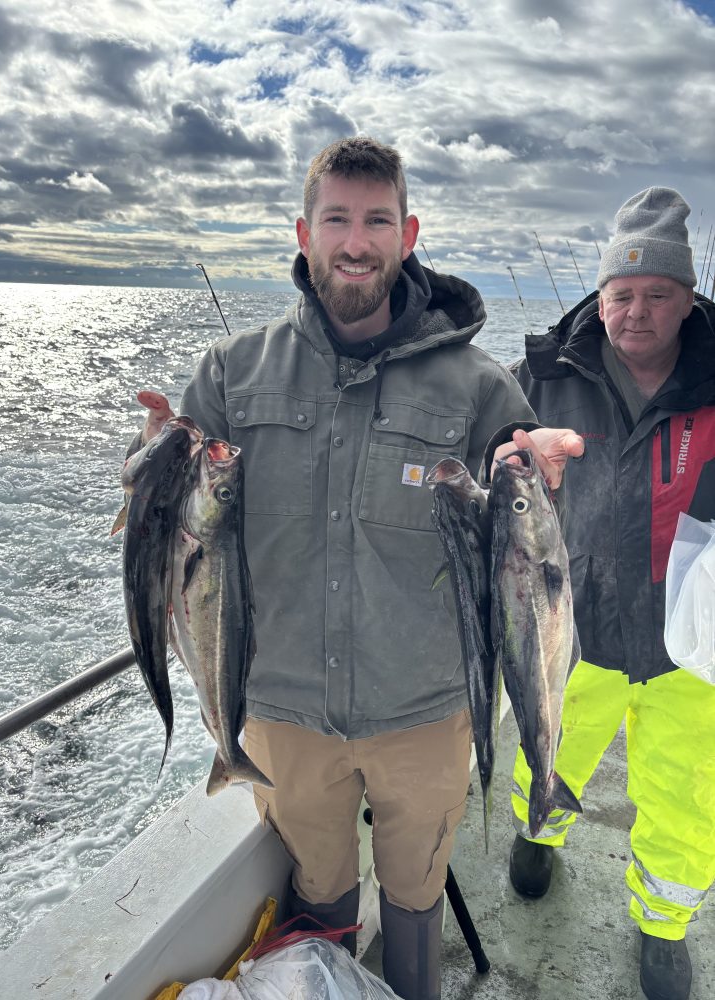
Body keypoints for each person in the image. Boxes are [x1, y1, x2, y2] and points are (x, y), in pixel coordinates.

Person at [137, 137, 582, 1000]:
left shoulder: (476, 382)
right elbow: (173, 496)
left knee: (416, 892)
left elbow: (515, 465)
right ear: (303, 234)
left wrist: (539, 459)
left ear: (408, 233)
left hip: (426, 711)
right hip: (282, 711)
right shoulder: (231, 371)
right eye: (336, 218)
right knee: (319, 885)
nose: (355, 240)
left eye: (377, 220)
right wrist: (149, 451)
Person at [506, 186, 715, 1000]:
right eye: (621, 295)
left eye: (657, 295)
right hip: (574, 625)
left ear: (687, 298)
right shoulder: (541, 373)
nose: (636, 312)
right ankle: (538, 829)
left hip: (690, 645)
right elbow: (485, 444)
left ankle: (662, 924)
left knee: (685, 790)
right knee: (544, 742)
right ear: (599, 297)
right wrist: (502, 456)